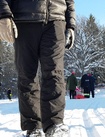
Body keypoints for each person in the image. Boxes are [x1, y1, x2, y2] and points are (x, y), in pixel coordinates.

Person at [0, 0, 76, 136]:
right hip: (24, 20)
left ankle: (55, 124)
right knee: (26, 75)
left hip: (56, 20)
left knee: (55, 73)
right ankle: (33, 126)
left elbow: (70, 1)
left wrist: (71, 25)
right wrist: (3, 14)